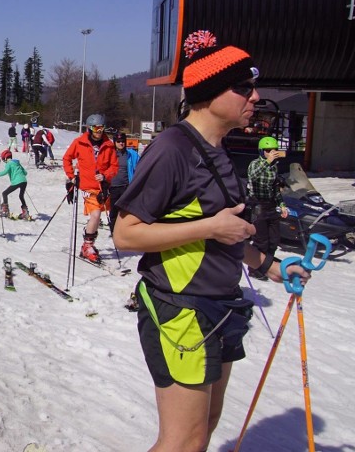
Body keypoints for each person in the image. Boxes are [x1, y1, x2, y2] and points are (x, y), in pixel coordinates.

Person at [113, 31, 310, 452]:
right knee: (183, 441)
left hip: (220, 308)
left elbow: (228, 230)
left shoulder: (220, 149)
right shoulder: (172, 148)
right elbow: (125, 234)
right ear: (209, 93)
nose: (254, 97)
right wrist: (210, 228)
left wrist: (270, 267)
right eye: (243, 88)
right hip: (180, 310)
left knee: (204, 430)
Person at [63, 113, 118, 263]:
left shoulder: (109, 145)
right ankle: (87, 246)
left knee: (98, 215)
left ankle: (87, 244)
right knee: (96, 215)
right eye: (96, 127)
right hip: (87, 186)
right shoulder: (79, 142)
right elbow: (67, 158)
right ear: (89, 128)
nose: (99, 131)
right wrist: (72, 177)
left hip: (102, 188)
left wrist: (106, 176)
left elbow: (114, 166)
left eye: (101, 127)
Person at [246, 136, 289, 281]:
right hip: (257, 205)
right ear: (261, 151)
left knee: (274, 239)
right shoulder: (256, 164)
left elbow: (275, 189)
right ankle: (255, 269)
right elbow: (254, 175)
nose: (271, 153)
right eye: (268, 150)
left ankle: (267, 266)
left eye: (274, 150)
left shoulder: (274, 166)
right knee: (261, 240)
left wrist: (282, 205)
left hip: (270, 204)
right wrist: (267, 161)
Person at [108, 132, 139, 233]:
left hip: (126, 186)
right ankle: (113, 230)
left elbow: (140, 167)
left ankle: (125, 230)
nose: (121, 143)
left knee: (126, 210)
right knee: (113, 210)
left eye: (122, 141)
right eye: (118, 141)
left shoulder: (131, 154)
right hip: (113, 186)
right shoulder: (110, 154)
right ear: (114, 142)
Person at [0, 149, 31, 220]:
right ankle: (25, 213)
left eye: (3, 159)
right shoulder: (17, 163)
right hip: (24, 181)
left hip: (17, 181)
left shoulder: (9, 163)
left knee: (4, 193)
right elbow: (25, 173)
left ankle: (5, 211)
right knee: (21, 196)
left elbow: (5, 172)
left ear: (5, 158)